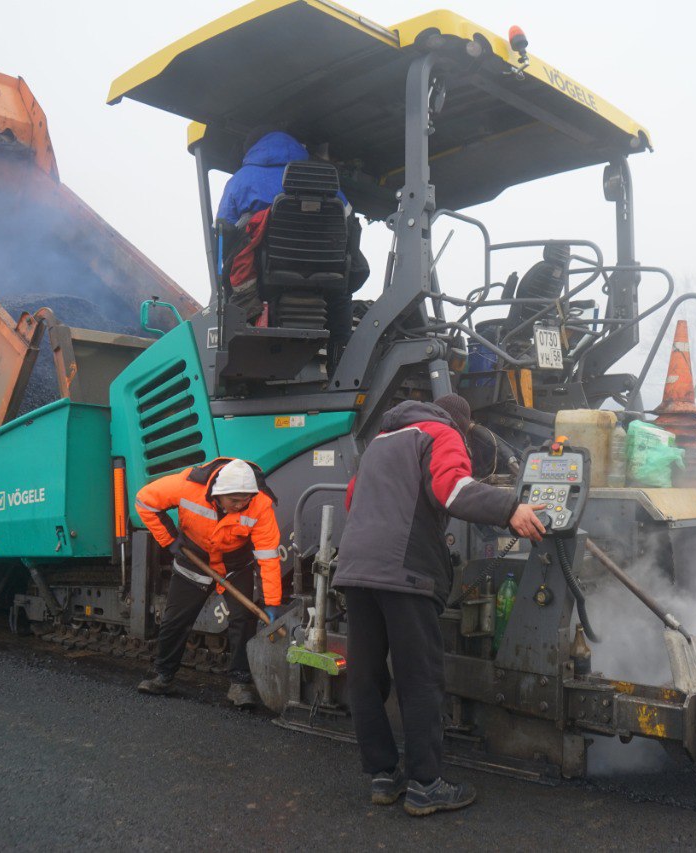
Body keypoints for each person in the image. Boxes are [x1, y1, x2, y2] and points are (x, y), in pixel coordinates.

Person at [332, 394, 547, 816]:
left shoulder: (380, 442)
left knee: (365, 675)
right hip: (404, 572)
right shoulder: (441, 432)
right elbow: (452, 489)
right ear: (463, 425)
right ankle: (426, 784)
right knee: (420, 678)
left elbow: (352, 501)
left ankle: (381, 774)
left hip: (356, 569)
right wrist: (510, 509)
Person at [134, 458, 282, 707]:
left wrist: (273, 602)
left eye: (245, 499)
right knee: (175, 620)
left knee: (243, 619)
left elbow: (268, 557)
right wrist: (169, 539)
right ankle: (163, 676)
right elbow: (144, 501)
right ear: (217, 494)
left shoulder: (260, 504)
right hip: (194, 559)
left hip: (235, 566)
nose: (241, 505)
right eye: (234, 500)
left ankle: (240, 684)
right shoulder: (187, 486)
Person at [216, 127, 366, 362]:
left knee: (231, 285)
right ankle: (340, 360)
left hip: (267, 275)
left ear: (253, 150)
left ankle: (232, 353)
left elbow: (224, 234)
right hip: (325, 274)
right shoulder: (325, 179)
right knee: (341, 293)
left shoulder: (239, 181)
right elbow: (351, 228)